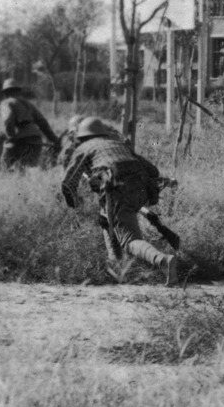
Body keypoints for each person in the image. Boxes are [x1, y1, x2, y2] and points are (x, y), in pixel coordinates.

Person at [61, 116, 179, 286]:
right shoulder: (118, 145)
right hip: (142, 191)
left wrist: (74, 204)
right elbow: (153, 171)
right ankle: (117, 268)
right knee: (106, 219)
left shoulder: (84, 148)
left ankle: (162, 260)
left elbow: (68, 182)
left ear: (82, 136)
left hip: (117, 192)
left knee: (130, 241)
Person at [0, 78, 60, 169]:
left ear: (5, 93)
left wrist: (11, 137)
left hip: (20, 140)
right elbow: (42, 123)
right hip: (35, 141)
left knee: (6, 165)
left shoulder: (6, 103)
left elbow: (8, 120)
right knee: (28, 168)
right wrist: (54, 139)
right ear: (18, 91)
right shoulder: (28, 104)